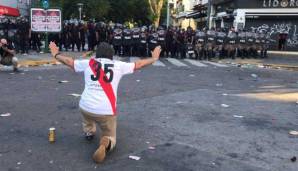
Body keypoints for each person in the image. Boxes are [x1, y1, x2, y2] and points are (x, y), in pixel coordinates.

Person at [48, 41, 161, 163]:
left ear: (97, 55)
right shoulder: (118, 65)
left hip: (85, 106)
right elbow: (138, 64)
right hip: (105, 111)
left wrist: (56, 54)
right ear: (111, 55)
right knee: (110, 134)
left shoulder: (88, 63)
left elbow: (69, 62)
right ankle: (106, 143)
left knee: (87, 117)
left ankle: (89, 132)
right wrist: (154, 58)